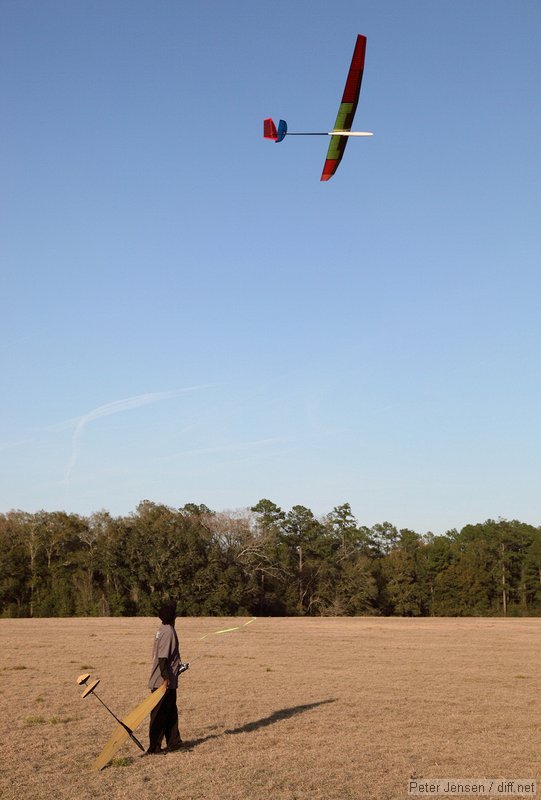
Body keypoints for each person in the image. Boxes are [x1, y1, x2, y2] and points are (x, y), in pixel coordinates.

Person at [146, 601, 184, 754]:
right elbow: (163, 659)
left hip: (168, 679)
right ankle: (154, 748)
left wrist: (177, 669)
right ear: (173, 617)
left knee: (170, 712)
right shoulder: (168, 631)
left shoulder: (162, 629)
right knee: (160, 715)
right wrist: (166, 678)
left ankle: (174, 742)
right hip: (163, 682)